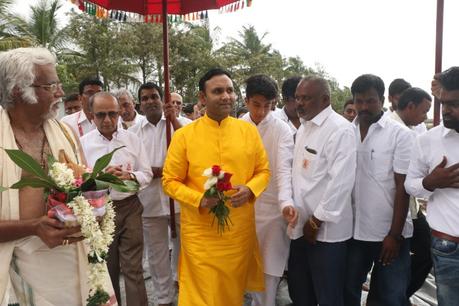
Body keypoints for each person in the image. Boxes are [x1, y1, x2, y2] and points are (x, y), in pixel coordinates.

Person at [0, 47, 115, 305]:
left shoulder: (65, 133)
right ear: (19, 90)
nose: (61, 94)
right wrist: (33, 227)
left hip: (74, 262)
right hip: (17, 269)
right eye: (51, 85)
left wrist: (98, 208)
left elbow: (87, 189)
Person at [162, 68, 270, 306]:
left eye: (230, 90)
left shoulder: (248, 131)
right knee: (202, 295)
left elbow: (263, 171)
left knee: (231, 294)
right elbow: (169, 181)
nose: (226, 96)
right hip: (200, 235)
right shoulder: (185, 135)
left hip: (238, 234)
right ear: (203, 97)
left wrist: (251, 189)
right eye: (218, 91)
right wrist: (198, 198)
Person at [344, 74, 413, 306]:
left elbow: (403, 188)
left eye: (370, 100)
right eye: (359, 101)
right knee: (347, 290)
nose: (364, 107)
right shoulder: (345, 133)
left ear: (382, 100)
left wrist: (394, 235)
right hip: (352, 232)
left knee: (390, 296)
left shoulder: (400, 135)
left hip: (388, 234)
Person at [288, 76, 356, 306]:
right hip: (300, 227)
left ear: (325, 99)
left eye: (305, 98)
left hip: (325, 234)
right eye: (297, 98)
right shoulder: (304, 127)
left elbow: (341, 182)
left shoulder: (340, 130)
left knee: (328, 296)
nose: (299, 103)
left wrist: (316, 221)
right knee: (300, 293)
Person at [80, 92, 152, 306]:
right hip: (99, 211)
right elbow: (78, 183)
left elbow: (146, 174)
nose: (108, 120)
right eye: (101, 115)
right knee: (107, 269)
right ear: (91, 115)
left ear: (120, 112)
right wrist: (99, 178)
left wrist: (129, 176)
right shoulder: (83, 144)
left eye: (112, 113)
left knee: (133, 269)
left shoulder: (132, 139)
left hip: (130, 207)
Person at [130, 83, 190, 306]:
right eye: (144, 98)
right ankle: (164, 299)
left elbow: (192, 154)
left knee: (187, 251)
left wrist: (173, 119)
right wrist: (158, 172)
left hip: (182, 202)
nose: (150, 101)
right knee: (157, 256)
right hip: (150, 202)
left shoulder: (183, 125)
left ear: (162, 99)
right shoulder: (133, 132)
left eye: (154, 96)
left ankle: (185, 292)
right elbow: (133, 167)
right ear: (140, 104)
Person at [240, 75, 296, 306]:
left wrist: (285, 203)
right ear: (246, 101)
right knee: (243, 269)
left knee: (269, 272)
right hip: (241, 208)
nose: (262, 111)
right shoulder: (237, 126)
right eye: (256, 105)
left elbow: (283, 170)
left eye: (268, 106)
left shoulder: (282, 129)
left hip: (273, 211)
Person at [405, 66, 459, 306]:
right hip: (448, 245)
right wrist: (431, 182)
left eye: (455, 104)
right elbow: (410, 185)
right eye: (443, 103)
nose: (446, 110)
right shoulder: (427, 141)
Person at [390, 87, 433, 301]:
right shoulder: (400, 132)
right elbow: (404, 182)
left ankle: (398, 296)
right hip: (401, 210)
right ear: (410, 106)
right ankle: (398, 296)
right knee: (423, 253)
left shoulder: (405, 128)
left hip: (410, 209)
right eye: (424, 111)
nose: (426, 117)